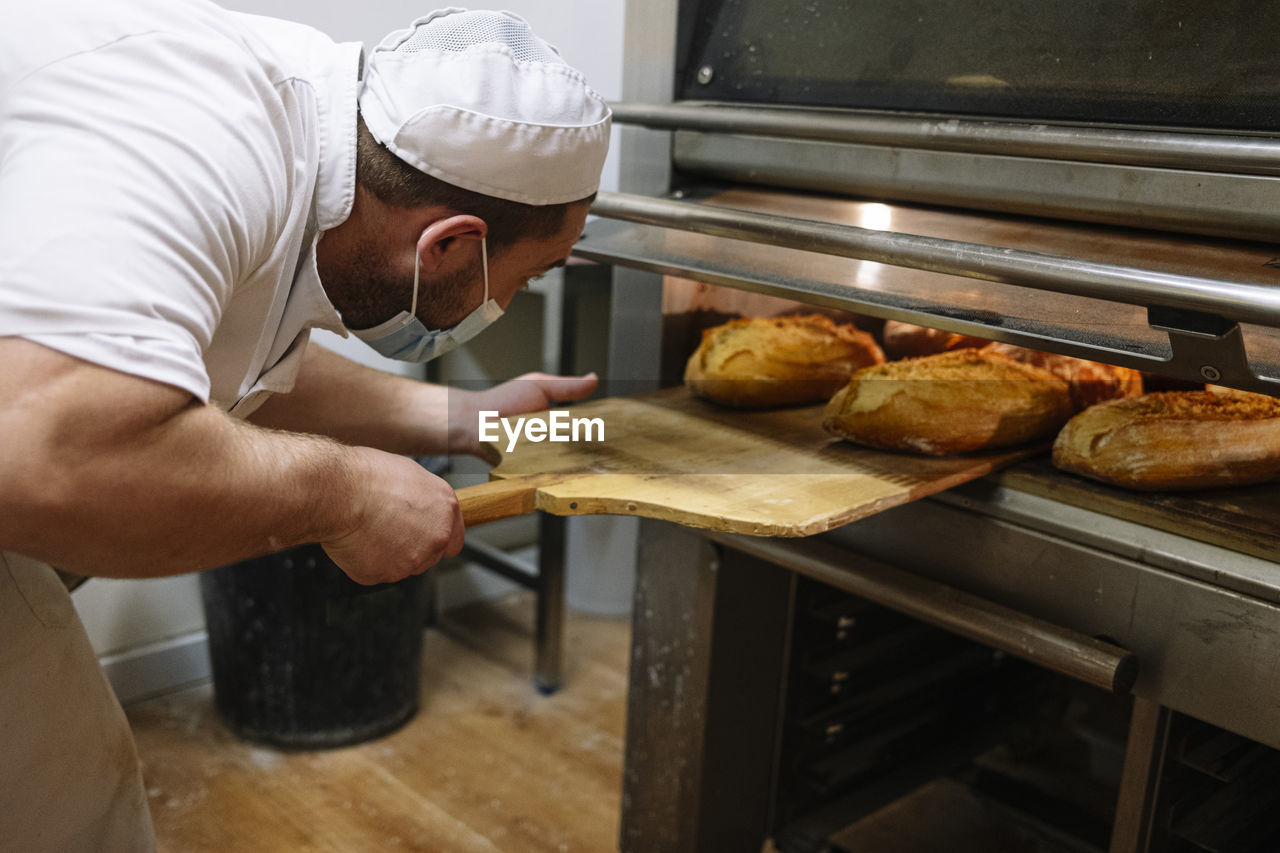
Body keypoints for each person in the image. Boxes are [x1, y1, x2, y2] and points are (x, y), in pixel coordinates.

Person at [0, 1, 611, 849]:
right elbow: (49, 455)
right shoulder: (197, 139)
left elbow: (224, 353)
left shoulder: (314, 138)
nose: (506, 306)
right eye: (525, 276)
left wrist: (462, 417)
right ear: (449, 246)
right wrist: (348, 496)